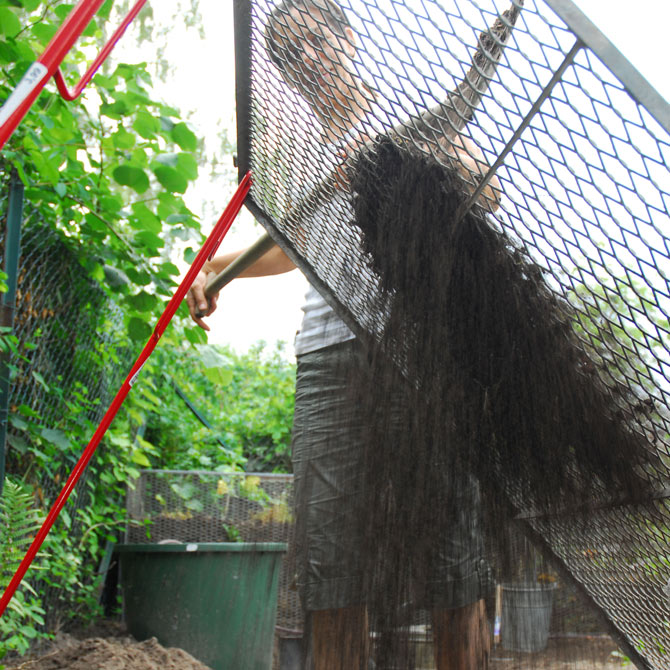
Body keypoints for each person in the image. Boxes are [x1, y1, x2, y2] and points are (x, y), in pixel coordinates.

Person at [187, 1, 515, 667]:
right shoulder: (292, 153)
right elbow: (295, 246)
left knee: (452, 558)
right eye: (290, 52)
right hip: (328, 355)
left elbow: (488, 194)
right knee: (332, 568)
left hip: (424, 347)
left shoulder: (409, 111)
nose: (309, 58)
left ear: (349, 38)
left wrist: (443, 168)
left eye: (317, 40)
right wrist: (217, 271)